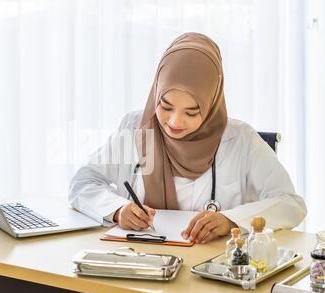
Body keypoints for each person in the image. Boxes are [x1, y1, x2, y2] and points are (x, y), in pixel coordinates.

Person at [68, 32, 306, 244]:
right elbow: (83, 182)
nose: (174, 123)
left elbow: (291, 204)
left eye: (192, 112)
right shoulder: (137, 128)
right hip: (137, 261)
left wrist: (231, 220)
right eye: (165, 106)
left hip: (211, 273)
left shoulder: (241, 140)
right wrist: (118, 209)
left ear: (211, 103)